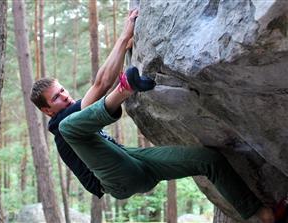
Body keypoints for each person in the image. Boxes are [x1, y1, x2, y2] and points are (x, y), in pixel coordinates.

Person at [30, 9, 281, 223]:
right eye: (56, 98)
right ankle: (125, 88)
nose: (65, 97)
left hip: (132, 161)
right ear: (47, 111)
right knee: (71, 128)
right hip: (116, 181)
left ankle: (263, 214)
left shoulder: (75, 113)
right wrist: (124, 35)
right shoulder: (63, 125)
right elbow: (100, 83)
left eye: (62, 90)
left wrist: (125, 44)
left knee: (208, 159)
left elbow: (101, 82)